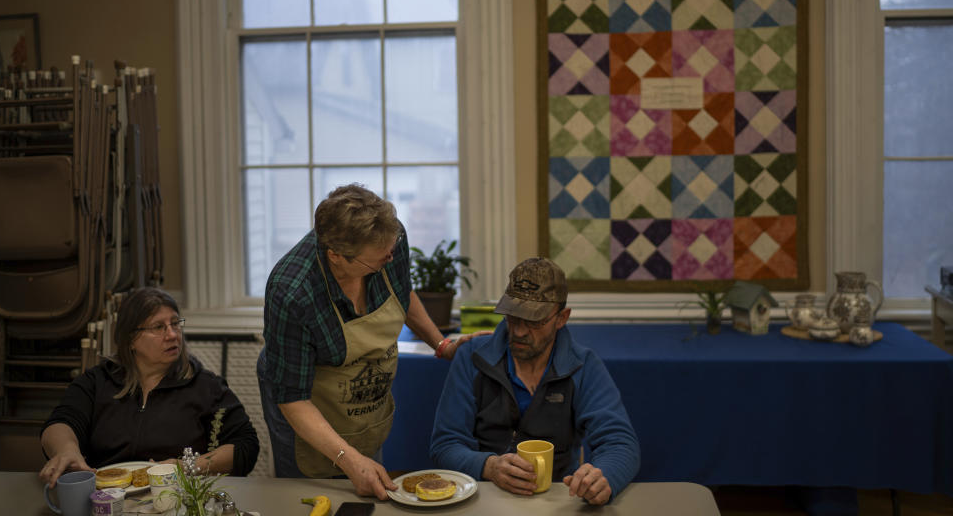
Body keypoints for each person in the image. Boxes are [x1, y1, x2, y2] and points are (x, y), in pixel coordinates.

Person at [257, 183, 480, 499]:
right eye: (379, 258)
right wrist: (349, 461)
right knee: (314, 498)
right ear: (336, 256)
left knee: (368, 491)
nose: (390, 259)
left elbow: (401, 293)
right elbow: (292, 397)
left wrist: (441, 345)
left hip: (362, 409)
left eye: (391, 250)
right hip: (308, 405)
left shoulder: (387, 238)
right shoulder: (292, 292)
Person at [429, 257, 640, 505]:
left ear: (562, 318)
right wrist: (488, 466)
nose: (518, 331)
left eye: (534, 321)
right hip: (481, 498)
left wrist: (603, 477)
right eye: (513, 317)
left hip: (559, 499)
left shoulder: (583, 365)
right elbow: (445, 444)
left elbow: (620, 443)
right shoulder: (471, 356)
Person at [39, 288, 260, 488]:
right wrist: (66, 450)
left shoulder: (206, 386)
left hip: (175, 497)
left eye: (175, 324)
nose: (172, 334)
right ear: (131, 339)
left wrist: (185, 467)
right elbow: (60, 423)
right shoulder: (98, 381)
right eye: (159, 327)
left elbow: (245, 446)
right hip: (105, 499)